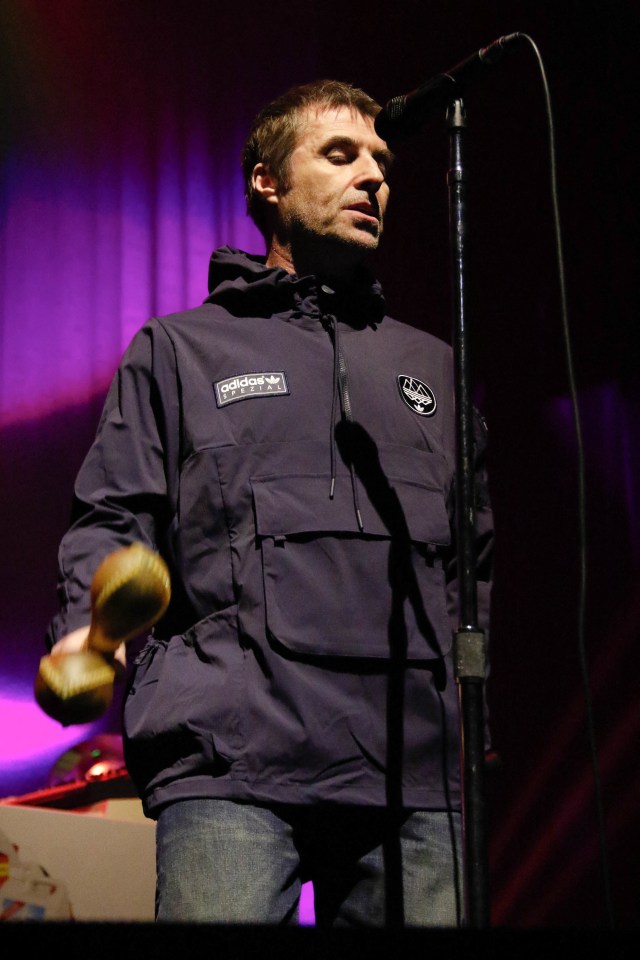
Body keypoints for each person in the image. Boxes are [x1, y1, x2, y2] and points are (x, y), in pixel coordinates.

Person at [45, 79, 494, 927]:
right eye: (340, 154)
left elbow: (472, 564)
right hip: (235, 758)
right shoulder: (180, 350)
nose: (373, 178)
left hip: (413, 769)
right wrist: (84, 621)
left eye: (382, 162)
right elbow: (113, 515)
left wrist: (469, 722)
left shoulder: (435, 366)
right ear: (267, 182)